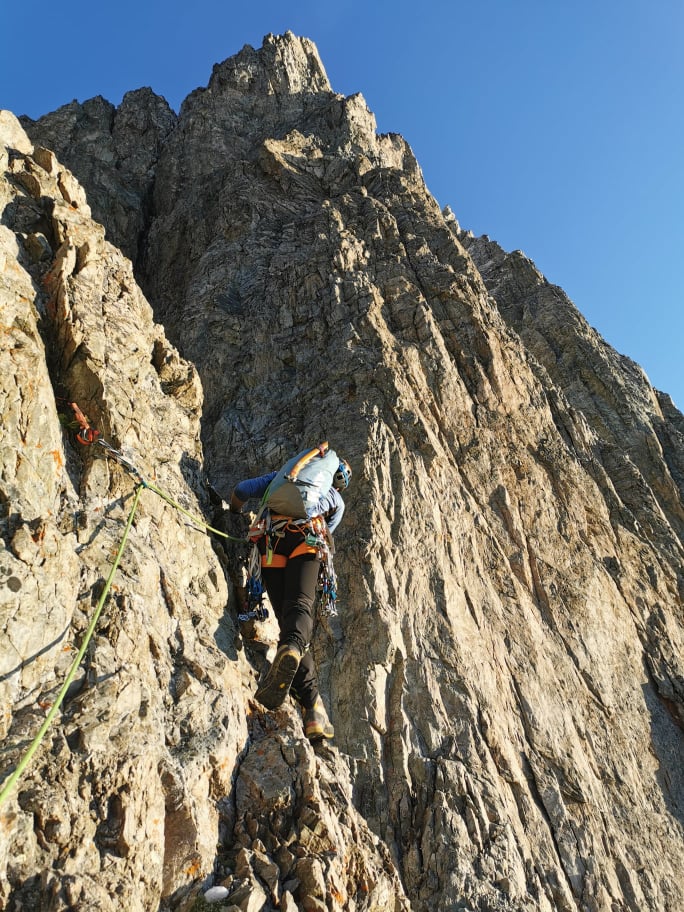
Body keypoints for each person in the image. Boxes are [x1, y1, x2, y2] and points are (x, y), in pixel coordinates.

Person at [227, 454, 352, 741]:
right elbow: (327, 536)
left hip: (271, 544)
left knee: (289, 626)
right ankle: (294, 653)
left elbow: (242, 490)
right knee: (300, 611)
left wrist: (232, 514)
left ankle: (312, 710)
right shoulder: (335, 497)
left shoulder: (282, 478)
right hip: (306, 540)